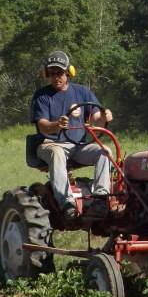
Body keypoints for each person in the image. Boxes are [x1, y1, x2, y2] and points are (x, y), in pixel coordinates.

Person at [30, 51, 113, 220]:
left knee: (105, 151)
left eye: (59, 73)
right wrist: (56, 125)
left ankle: (100, 199)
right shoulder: (42, 96)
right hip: (50, 144)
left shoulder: (82, 92)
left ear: (69, 72)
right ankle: (67, 203)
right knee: (57, 153)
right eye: (52, 73)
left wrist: (104, 116)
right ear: (47, 74)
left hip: (78, 146)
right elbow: (43, 126)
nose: (56, 77)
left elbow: (95, 117)